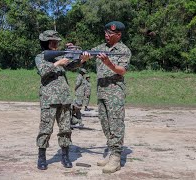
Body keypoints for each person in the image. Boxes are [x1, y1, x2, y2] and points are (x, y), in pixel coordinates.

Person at [81, 21, 131, 173]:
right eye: (105, 33)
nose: (106, 35)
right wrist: (83, 56)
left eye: (110, 34)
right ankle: (111, 151)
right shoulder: (101, 48)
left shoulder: (124, 50)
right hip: (102, 91)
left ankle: (116, 157)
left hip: (115, 93)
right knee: (105, 123)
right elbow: (86, 56)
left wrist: (109, 63)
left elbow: (122, 70)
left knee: (116, 124)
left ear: (118, 35)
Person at [35, 30, 74, 170]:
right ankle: (42, 157)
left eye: (57, 42)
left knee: (65, 129)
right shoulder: (40, 57)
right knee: (45, 129)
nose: (57, 44)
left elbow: (74, 65)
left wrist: (78, 54)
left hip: (64, 99)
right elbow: (43, 71)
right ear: (47, 43)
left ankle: (65, 156)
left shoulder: (61, 56)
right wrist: (58, 63)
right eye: (54, 42)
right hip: (49, 99)